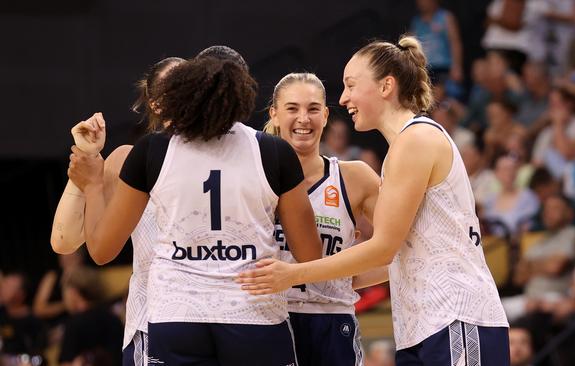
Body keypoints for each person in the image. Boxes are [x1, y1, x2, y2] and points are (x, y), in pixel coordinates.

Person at [238, 35, 509, 365]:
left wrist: (294, 275)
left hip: (455, 313)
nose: (344, 97)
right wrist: (328, 278)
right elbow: (392, 254)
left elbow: (383, 247)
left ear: (386, 86)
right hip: (421, 324)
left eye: (351, 85)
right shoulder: (402, 147)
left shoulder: (417, 139)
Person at [67, 56, 322, 365]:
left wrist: (94, 187)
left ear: (181, 95)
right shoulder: (272, 150)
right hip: (253, 313)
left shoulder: (152, 150)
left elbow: (101, 251)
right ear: (241, 97)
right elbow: (309, 255)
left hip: (177, 315)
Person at [51, 56, 183, 366]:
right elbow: (64, 241)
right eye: (175, 87)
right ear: (156, 103)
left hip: (219, 320)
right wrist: (86, 165)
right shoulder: (130, 158)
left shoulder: (232, 155)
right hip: (154, 324)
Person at [263, 72, 382, 365]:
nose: (304, 118)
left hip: (331, 322)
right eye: (292, 108)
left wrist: (342, 275)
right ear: (274, 114)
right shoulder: (252, 179)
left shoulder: (356, 177)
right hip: (267, 320)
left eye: (313, 109)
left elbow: (404, 249)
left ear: (326, 116)